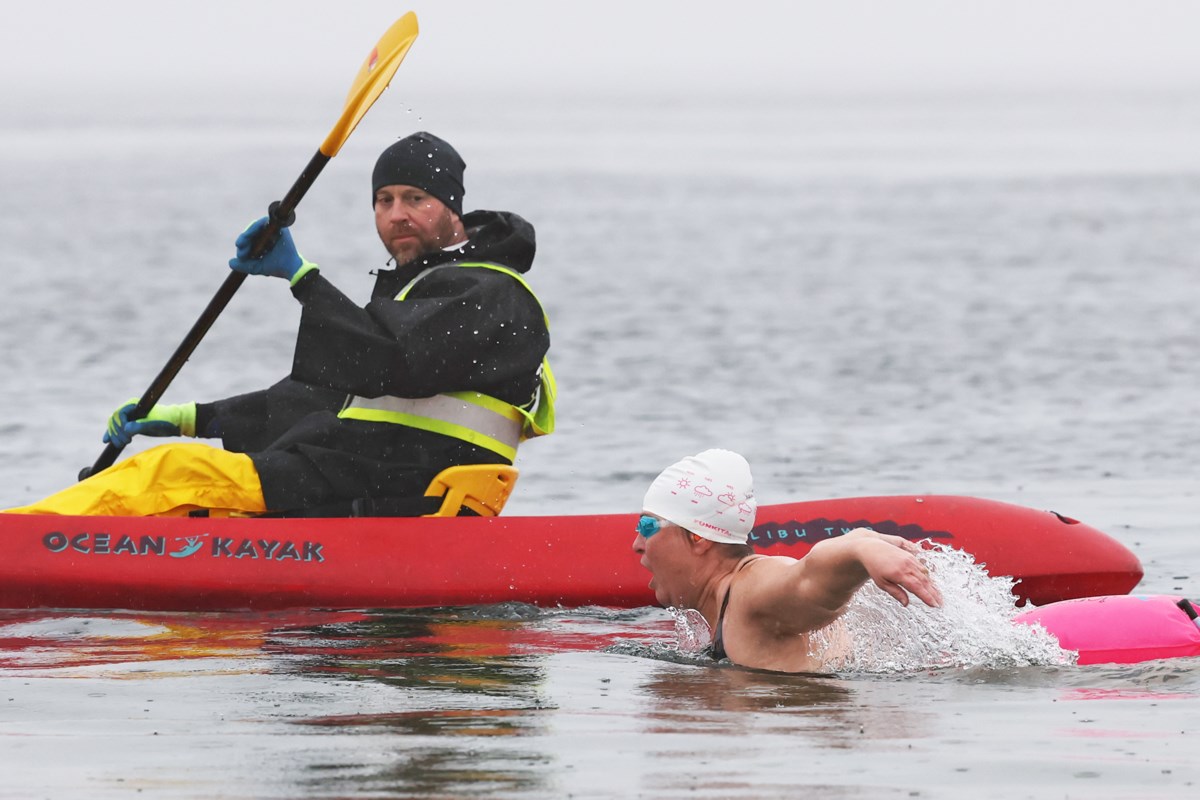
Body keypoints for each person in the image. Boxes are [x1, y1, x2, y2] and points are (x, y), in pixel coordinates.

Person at [7, 132, 555, 517]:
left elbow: (390, 360)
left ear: (453, 210)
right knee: (180, 493)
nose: (397, 214)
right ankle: (41, 537)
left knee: (169, 474)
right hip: (363, 478)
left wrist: (301, 276)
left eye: (416, 199)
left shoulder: (488, 290)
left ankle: (23, 540)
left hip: (405, 491)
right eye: (384, 201)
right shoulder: (423, 291)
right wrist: (183, 417)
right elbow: (320, 396)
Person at [633, 449, 942, 672]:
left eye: (648, 527)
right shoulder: (732, 595)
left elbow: (807, 580)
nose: (637, 544)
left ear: (699, 538)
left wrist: (860, 552)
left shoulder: (750, 591)